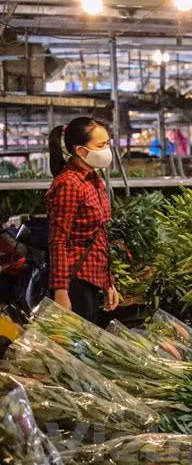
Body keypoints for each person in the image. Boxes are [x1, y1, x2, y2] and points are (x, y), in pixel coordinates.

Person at [45, 116, 120, 324]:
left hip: (92, 279)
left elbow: (99, 237)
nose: (107, 150)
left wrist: (108, 282)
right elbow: (58, 241)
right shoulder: (69, 184)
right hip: (75, 282)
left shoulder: (94, 179)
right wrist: (61, 291)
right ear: (81, 151)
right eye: (101, 145)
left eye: (107, 144)